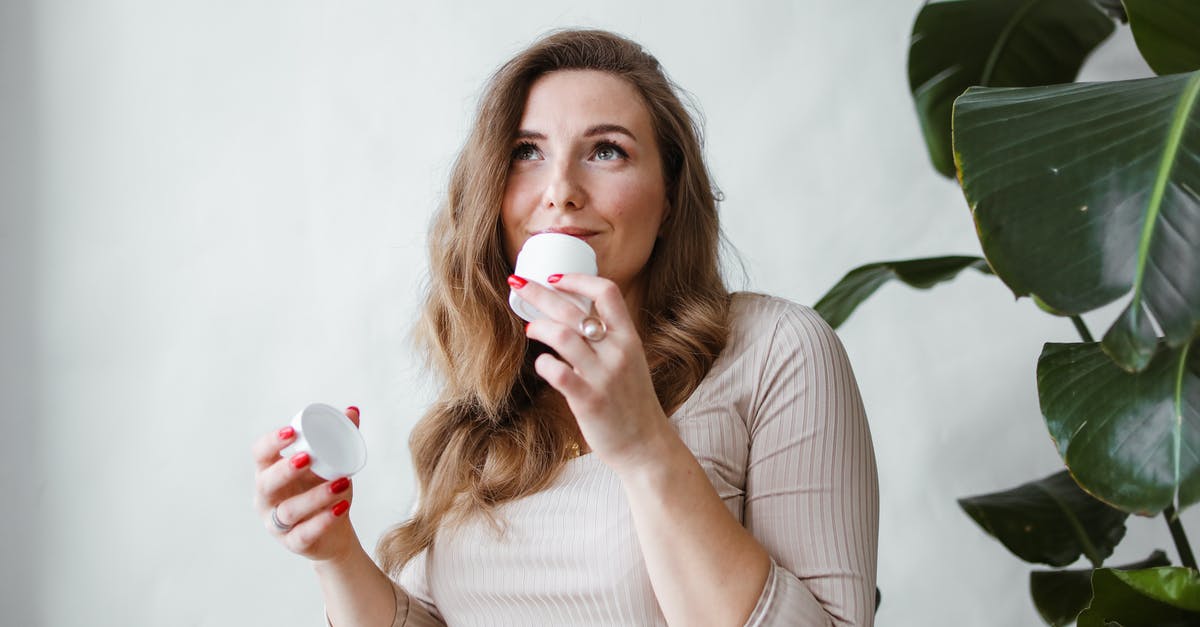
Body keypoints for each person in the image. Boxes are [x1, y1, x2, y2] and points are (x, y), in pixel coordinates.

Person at [252, 28, 878, 627]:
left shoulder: (774, 349)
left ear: (669, 198)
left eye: (607, 151)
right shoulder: (486, 398)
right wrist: (335, 554)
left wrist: (643, 447)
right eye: (527, 152)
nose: (560, 191)